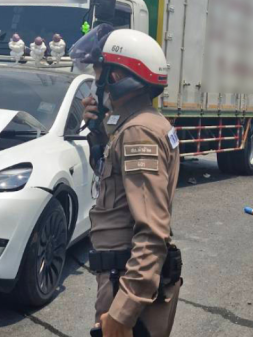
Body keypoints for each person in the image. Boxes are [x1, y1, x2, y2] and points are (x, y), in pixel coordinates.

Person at [72, 26, 182, 337]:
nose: (96, 85)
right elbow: (113, 177)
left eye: (99, 75)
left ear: (118, 78)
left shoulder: (138, 133)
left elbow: (151, 232)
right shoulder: (141, 123)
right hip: (122, 274)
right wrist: (96, 129)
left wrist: (123, 313)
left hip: (126, 280)